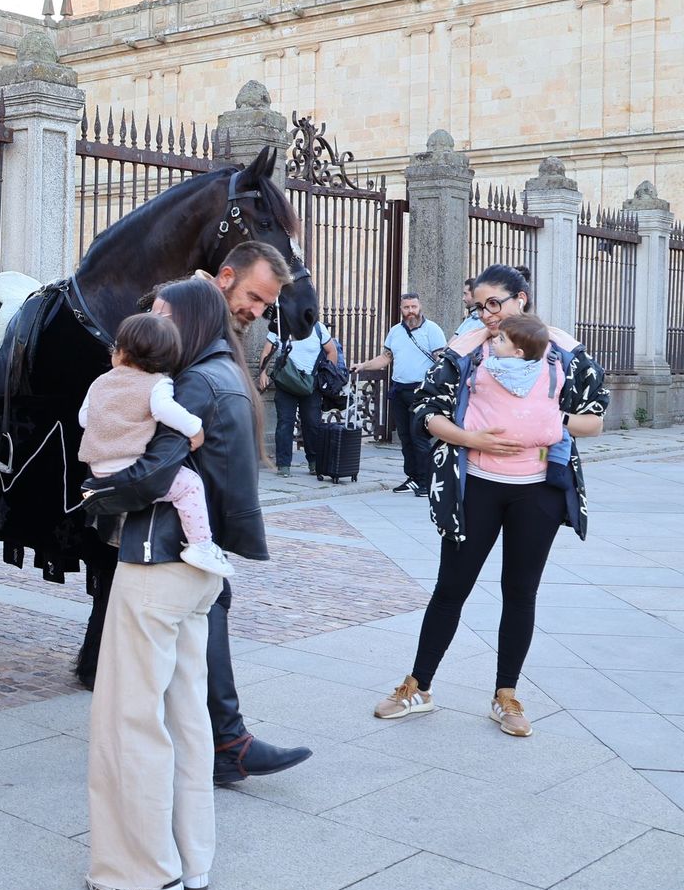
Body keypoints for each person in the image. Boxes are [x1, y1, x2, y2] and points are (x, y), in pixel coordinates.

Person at [80, 278, 267, 890]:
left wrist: (95, 495)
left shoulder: (182, 386)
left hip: (156, 564)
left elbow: (152, 471)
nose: (151, 322)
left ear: (185, 319)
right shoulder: (227, 376)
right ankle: (193, 863)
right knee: (185, 717)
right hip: (196, 571)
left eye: (161, 313)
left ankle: (142, 872)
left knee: (130, 722)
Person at [373, 265, 608, 738]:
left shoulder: (566, 353)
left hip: (538, 489)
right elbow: (427, 415)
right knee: (451, 587)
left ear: (521, 298)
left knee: (520, 591)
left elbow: (594, 420)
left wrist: (546, 419)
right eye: (479, 306)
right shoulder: (464, 352)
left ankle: (506, 695)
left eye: (494, 303)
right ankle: (418, 686)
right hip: (475, 485)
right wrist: (470, 436)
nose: (487, 314)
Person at [136, 239, 314, 783]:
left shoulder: (213, 345)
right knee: (193, 619)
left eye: (266, 306)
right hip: (172, 525)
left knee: (207, 612)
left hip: (193, 520)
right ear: (225, 277)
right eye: (256, 298)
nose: (258, 312)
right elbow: (160, 448)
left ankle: (222, 740)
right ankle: (221, 743)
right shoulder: (193, 346)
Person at [79, 311, 234, 577]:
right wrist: (195, 429)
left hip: (98, 470)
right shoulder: (157, 383)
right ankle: (201, 545)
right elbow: (166, 411)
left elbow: (84, 418)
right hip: (129, 470)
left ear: (121, 352)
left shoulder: (99, 383)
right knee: (190, 485)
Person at [352, 292, 447, 497]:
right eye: (406, 307)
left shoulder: (433, 330)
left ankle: (424, 481)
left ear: (420, 307)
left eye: (414, 307)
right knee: (405, 437)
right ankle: (412, 477)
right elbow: (385, 358)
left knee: (419, 437)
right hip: (399, 390)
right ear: (401, 309)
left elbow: (441, 360)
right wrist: (364, 365)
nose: (410, 311)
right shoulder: (395, 331)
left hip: (421, 392)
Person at [258, 317, 338, 477]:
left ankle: (314, 463)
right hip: (286, 383)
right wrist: (262, 373)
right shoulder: (280, 327)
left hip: (311, 385)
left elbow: (332, 351)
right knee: (284, 424)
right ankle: (284, 465)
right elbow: (266, 351)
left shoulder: (318, 328)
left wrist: (327, 375)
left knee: (312, 424)